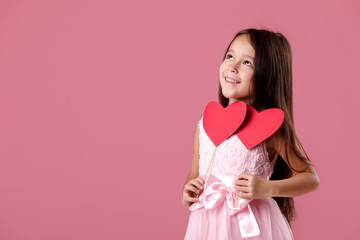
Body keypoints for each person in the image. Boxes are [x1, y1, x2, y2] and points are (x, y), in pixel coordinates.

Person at [182, 28, 320, 239]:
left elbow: (310, 178)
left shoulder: (270, 129)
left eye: (247, 63)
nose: (233, 67)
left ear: (267, 74)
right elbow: (194, 177)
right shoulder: (204, 125)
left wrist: (268, 188)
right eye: (230, 56)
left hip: (251, 227)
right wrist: (188, 192)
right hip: (206, 225)